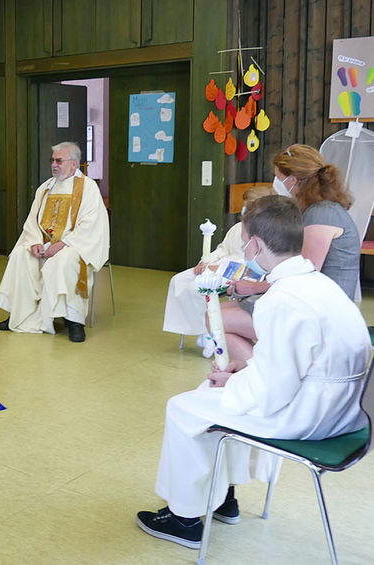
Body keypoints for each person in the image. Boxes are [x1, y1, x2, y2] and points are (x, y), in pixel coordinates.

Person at [136, 195, 371, 550]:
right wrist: (245, 371)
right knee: (211, 392)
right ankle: (223, 499)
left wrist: (236, 381)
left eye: (245, 243)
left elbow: (270, 393)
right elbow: (290, 362)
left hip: (309, 417)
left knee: (183, 408)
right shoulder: (318, 285)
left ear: (255, 244)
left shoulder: (281, 298)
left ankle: (183, 518)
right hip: (342, 409)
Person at [221, 144, 360, 361]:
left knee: (216, 320)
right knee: (224, 311)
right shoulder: (318, 210)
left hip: (320, 313)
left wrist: (255, 287)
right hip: (310, 303)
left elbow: (303, 277)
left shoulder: (321, 215)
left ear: (292, 180)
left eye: (278, 177)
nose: (276, 183)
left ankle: (257, 379)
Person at [0, 141, 109, 341]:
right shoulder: (46, 188)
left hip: (74, 245)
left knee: (62, 261)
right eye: (52, 160)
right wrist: (34, 242)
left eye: (59, 160)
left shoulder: (88, 188)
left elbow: (91, 226)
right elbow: (32, 221)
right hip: (46, 244)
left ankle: (74, 320)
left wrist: (62, 244)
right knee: (20, 255)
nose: (54, 165)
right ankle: (20, 314)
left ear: (73, 164)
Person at [162, 185, 274, 353]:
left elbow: (253, 262)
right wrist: (206, 262)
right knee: (179, 280)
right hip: (219, 266)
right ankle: (191, 327)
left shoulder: (268, 231)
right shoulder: (237, 228)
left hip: (239, 274)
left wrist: (218, 267)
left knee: (197, 287)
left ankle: (208, 332)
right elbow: (223, 249)